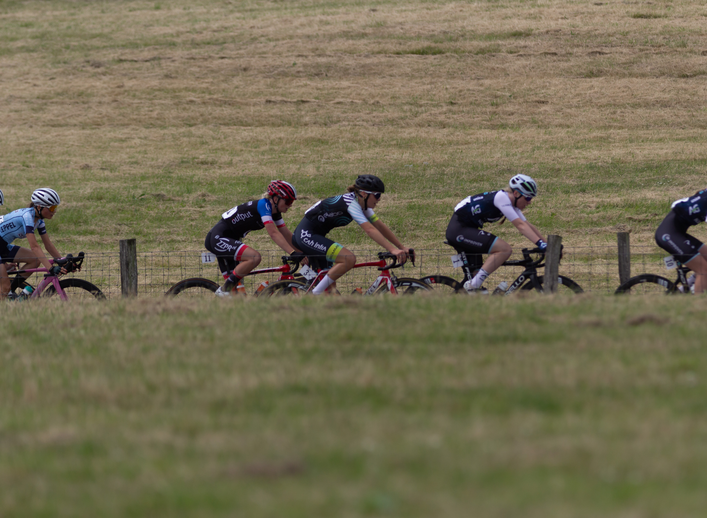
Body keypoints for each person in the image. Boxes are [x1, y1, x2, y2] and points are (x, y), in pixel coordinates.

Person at [292, 174, 411, 295]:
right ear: (364, 194)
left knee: (331, 289)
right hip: (306, 236)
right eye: (377, 195)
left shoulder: (361, 204)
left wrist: (400, 247)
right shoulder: (351, 204)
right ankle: (313, 295)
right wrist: (392, 249)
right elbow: (369, 230)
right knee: (348, 259)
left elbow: (379, 226)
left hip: (313, 235)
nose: (379, 199)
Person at [447, 174, 547, 293]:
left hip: (466, 229)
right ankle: (473, 285)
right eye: (528, 198)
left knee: (477, 278)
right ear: (516, 194)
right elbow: (520, 226)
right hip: (459, 230)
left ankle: (473, 292)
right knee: (504, 249)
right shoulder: (502, 198)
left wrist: (547, 244)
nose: (530, 202)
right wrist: (540, 244)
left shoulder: (511, 203)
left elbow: (527, 225)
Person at [205, 180, 299, 296]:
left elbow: (286, 233)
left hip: (230, 239)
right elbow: (273, 233)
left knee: (237, 296)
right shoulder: (264, 205)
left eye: (292, 202)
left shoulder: (275, 212)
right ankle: (224, 290)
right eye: (288, 201)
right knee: (254, 257)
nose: (290, 205)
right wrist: (292, 252)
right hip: (219, 238)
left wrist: (300, 252)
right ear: (275, 199)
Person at [0, 188, 65, 299]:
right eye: (51, 208)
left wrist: (62, 261)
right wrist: (50, 268)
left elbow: (48, 244)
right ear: (39, 207)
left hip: (3, 246)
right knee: (4, 287)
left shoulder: (39, 220)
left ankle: (11, 292)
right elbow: (34, 246)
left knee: (34, 260)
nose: (54, 211)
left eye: (55, 207)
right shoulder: (27, 217)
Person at [655, 189, 707, 294]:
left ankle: (682, 293)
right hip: (668, 235)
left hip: (677, 233)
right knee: (703, 271)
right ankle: (697, 307)